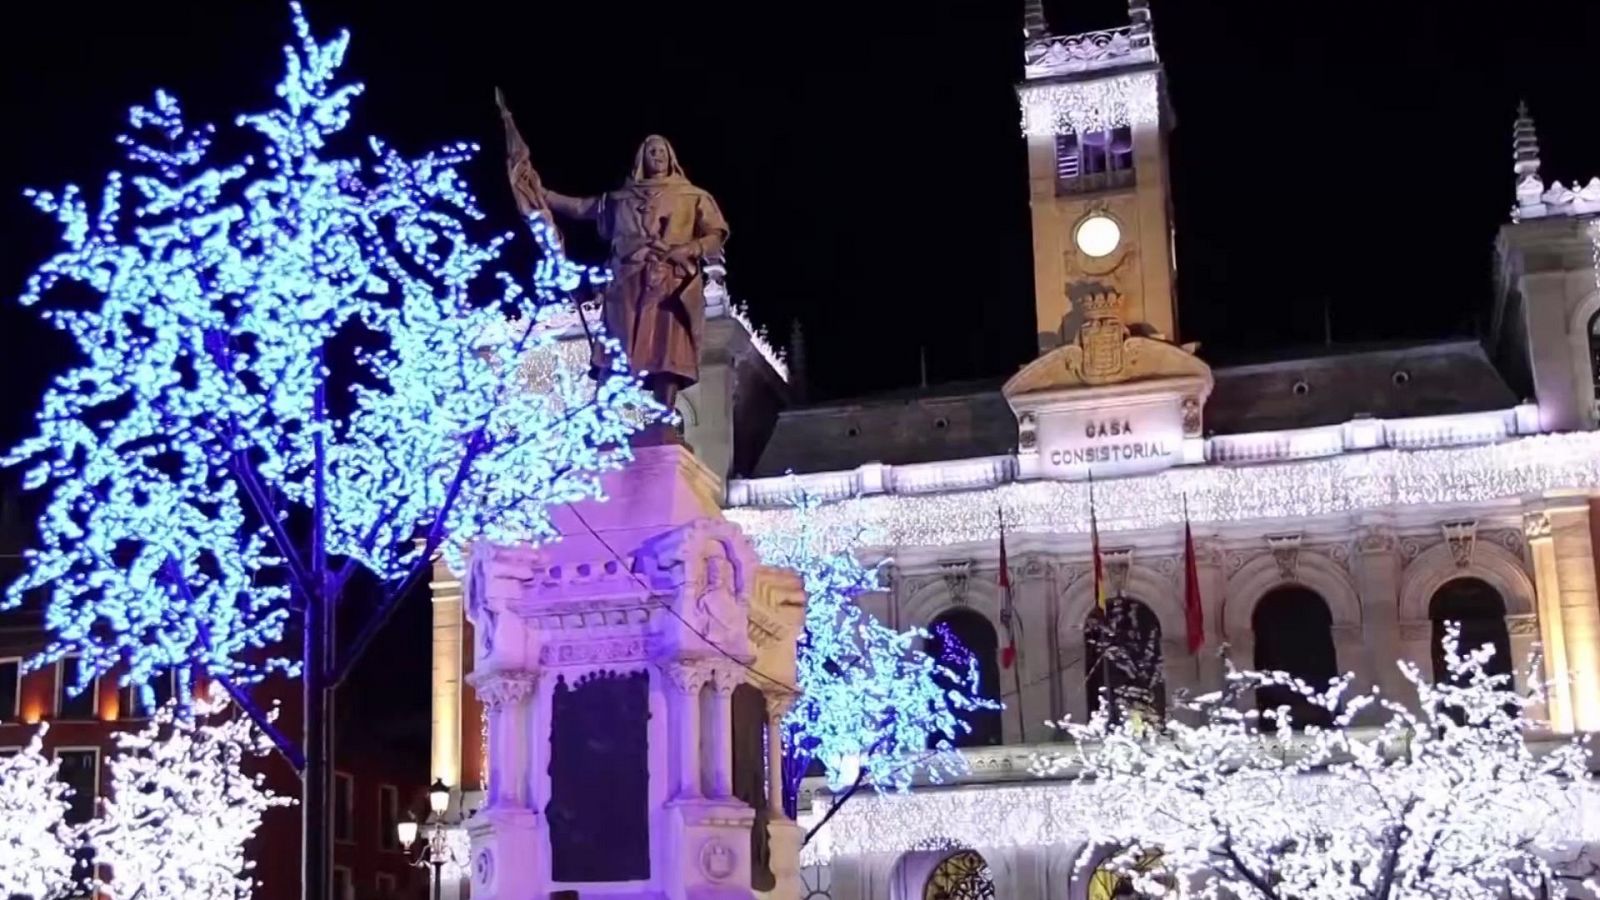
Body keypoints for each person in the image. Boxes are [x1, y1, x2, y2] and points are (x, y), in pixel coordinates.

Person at [499, 94, 729, 427]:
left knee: (667, 355)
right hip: (626, 285)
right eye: (651, 151)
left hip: (669, 285)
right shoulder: (619, 199)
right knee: (616, 354)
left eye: (662, 151)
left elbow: (715, 234)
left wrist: (689, 249)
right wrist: (540, 192)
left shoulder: (693, 197)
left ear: (672, 157)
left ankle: (663, 421)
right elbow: (579, 208)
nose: (657, 156)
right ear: (641, 158)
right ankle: (605, 423)